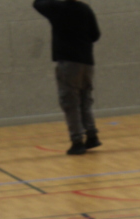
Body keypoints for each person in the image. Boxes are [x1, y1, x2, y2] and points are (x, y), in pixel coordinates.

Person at [33, 0, 102, 155]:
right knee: (85, 99)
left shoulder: (57, 8)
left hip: (69, 61)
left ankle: (77, 141)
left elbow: (37, 3)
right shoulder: (85, 8)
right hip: (87, 61)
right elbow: (95, 35)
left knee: (70, 101)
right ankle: (92, 135)